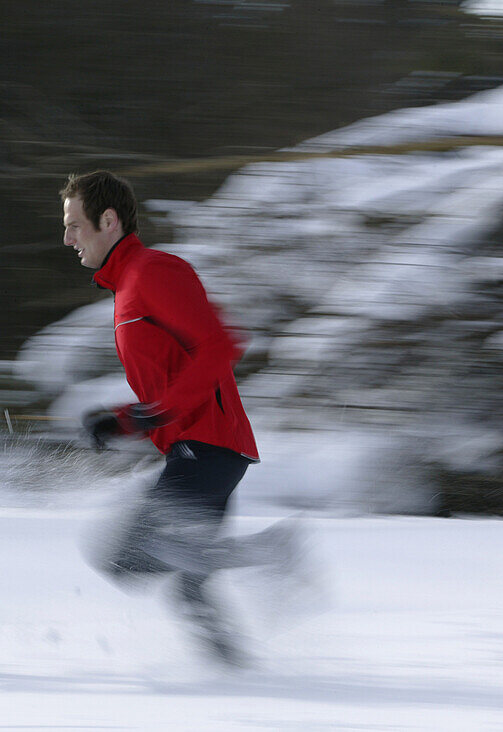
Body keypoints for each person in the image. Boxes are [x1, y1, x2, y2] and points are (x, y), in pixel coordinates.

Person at [61, 171, 298, 666]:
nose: (68, 238)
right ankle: (241, 681)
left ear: (108, 220)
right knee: (190, 587)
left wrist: (158, 412)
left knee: (125, 556)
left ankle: (271, 552)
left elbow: (219, 345)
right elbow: (170, 375)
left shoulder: (152, 272)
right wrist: (123, 421)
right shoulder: (129, 286)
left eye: (75, 225)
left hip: (207, 445)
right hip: (203, 446)